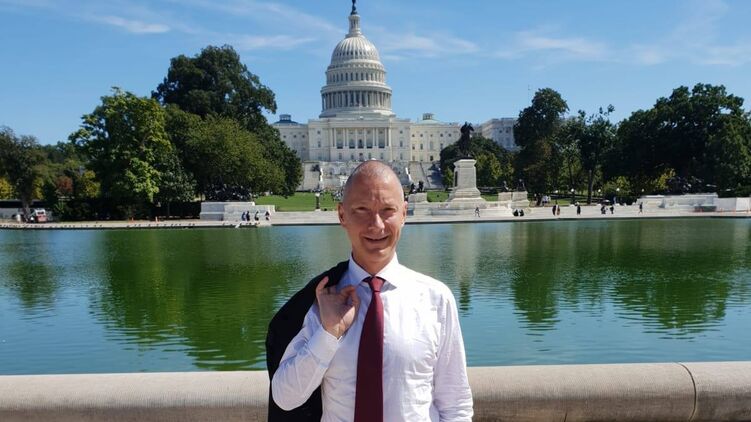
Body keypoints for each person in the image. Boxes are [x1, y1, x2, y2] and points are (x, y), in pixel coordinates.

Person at [267, 160, 473, 421]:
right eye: (362, 210)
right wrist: (328, 334)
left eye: (388, 210)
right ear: (342, 215)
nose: (376, 225)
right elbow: (285, 398)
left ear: (404, 213)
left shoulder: (436, 299)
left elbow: (455, 405)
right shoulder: (322, 298)